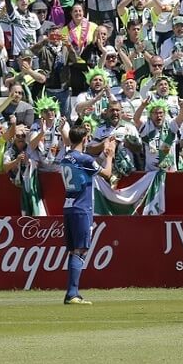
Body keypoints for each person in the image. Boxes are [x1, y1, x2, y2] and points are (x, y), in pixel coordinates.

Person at [59, 121, 115, 305]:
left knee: (74, 250)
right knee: (80, 250)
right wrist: (109, 155)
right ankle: (72, 293)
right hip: (82, 208)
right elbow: (107, 173)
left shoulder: (66, 157)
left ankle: (72, 292)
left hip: (69, 206)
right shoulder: (84, 159)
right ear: (85, 139)